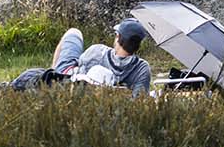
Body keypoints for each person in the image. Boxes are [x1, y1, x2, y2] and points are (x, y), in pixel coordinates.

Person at [9, 18, 152, 95]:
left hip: (68, 74)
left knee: (73, 32)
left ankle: (53, 69)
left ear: (118, 37)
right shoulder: (142, 68)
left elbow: (78, 75)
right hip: (93, 84)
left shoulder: (97, 51)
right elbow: (139, 97)